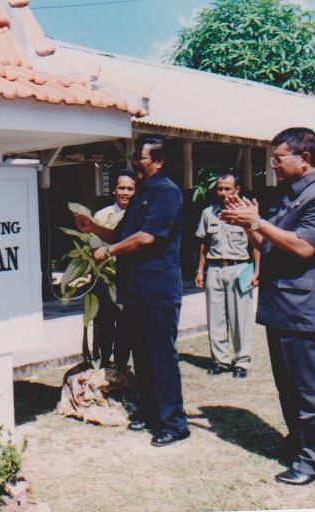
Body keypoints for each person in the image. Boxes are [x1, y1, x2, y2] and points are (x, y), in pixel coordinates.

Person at [220, 127, 315, 485]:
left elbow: (305, 247)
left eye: (278, 159)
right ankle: (298, 444)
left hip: (304, 307)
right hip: (281, 304)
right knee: (288, 386)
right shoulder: (288, 195)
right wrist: (248, 224)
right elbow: (268, 243)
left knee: (310, 390)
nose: (272, 165)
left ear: (304, 159)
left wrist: (258, 221)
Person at [75, 136, 189, 447]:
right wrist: (92, 228)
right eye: (135, 156)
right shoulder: (142, 195)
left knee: (162, 358)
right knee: (143, 356)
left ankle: (174, 423)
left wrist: (110, 251)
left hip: (158, 290)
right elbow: (123, 234)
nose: (135, 161)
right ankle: (152, 415)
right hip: (136, 291)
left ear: (159, 161)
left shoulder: (167, 193)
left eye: (141, 157)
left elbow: (148, 237)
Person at [195, 173, 260, 378]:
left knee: (241, 317)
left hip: (240, 268)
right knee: (215, 318)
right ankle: (220, 360)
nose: (222, 192)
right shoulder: (208, 213)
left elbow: (257, 243)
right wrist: (200, 270)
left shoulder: (246, 213)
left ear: (237, 190)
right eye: (220, 188)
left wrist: (258, 271)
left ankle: (242, 361)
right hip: (215, 269)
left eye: (227, 188)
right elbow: (203, 243)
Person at [89, 171, 136, 370]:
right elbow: (93, 245)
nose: (126, 192)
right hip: (106, 278)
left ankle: (122, 365)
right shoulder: (101, 215)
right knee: (105, 322)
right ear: (114, 190)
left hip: (131, 278)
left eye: (130, 188)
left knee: (127, 324)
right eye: (122, 188)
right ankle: (104, 362)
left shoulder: (139, 216)